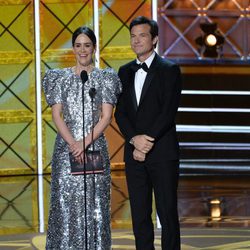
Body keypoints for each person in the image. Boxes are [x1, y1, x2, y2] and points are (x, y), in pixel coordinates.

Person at [42, 26, 121, 249]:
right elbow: (56, 114)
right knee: (65, 204)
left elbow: (106, 117)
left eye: (87, 45)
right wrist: (73, 144)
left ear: (94, 48)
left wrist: (84, 144)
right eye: (78, 45)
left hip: (94, 147)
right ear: (73, 49)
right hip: (66, 151)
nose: (83, 50)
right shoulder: (59, 78)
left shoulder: (105, 77)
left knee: (94, 203)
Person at [114, 16, 182, 250]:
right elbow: (119, 113)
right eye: (133, 36)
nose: (137, 40)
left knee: (167, 213)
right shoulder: (124, 71)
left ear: (154, 39)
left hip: (162, 152)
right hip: (134, 155)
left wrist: (147, 142)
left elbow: (168, 111)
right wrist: (134, 140)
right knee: (140, 214)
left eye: (142, 35)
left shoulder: (169, 69)